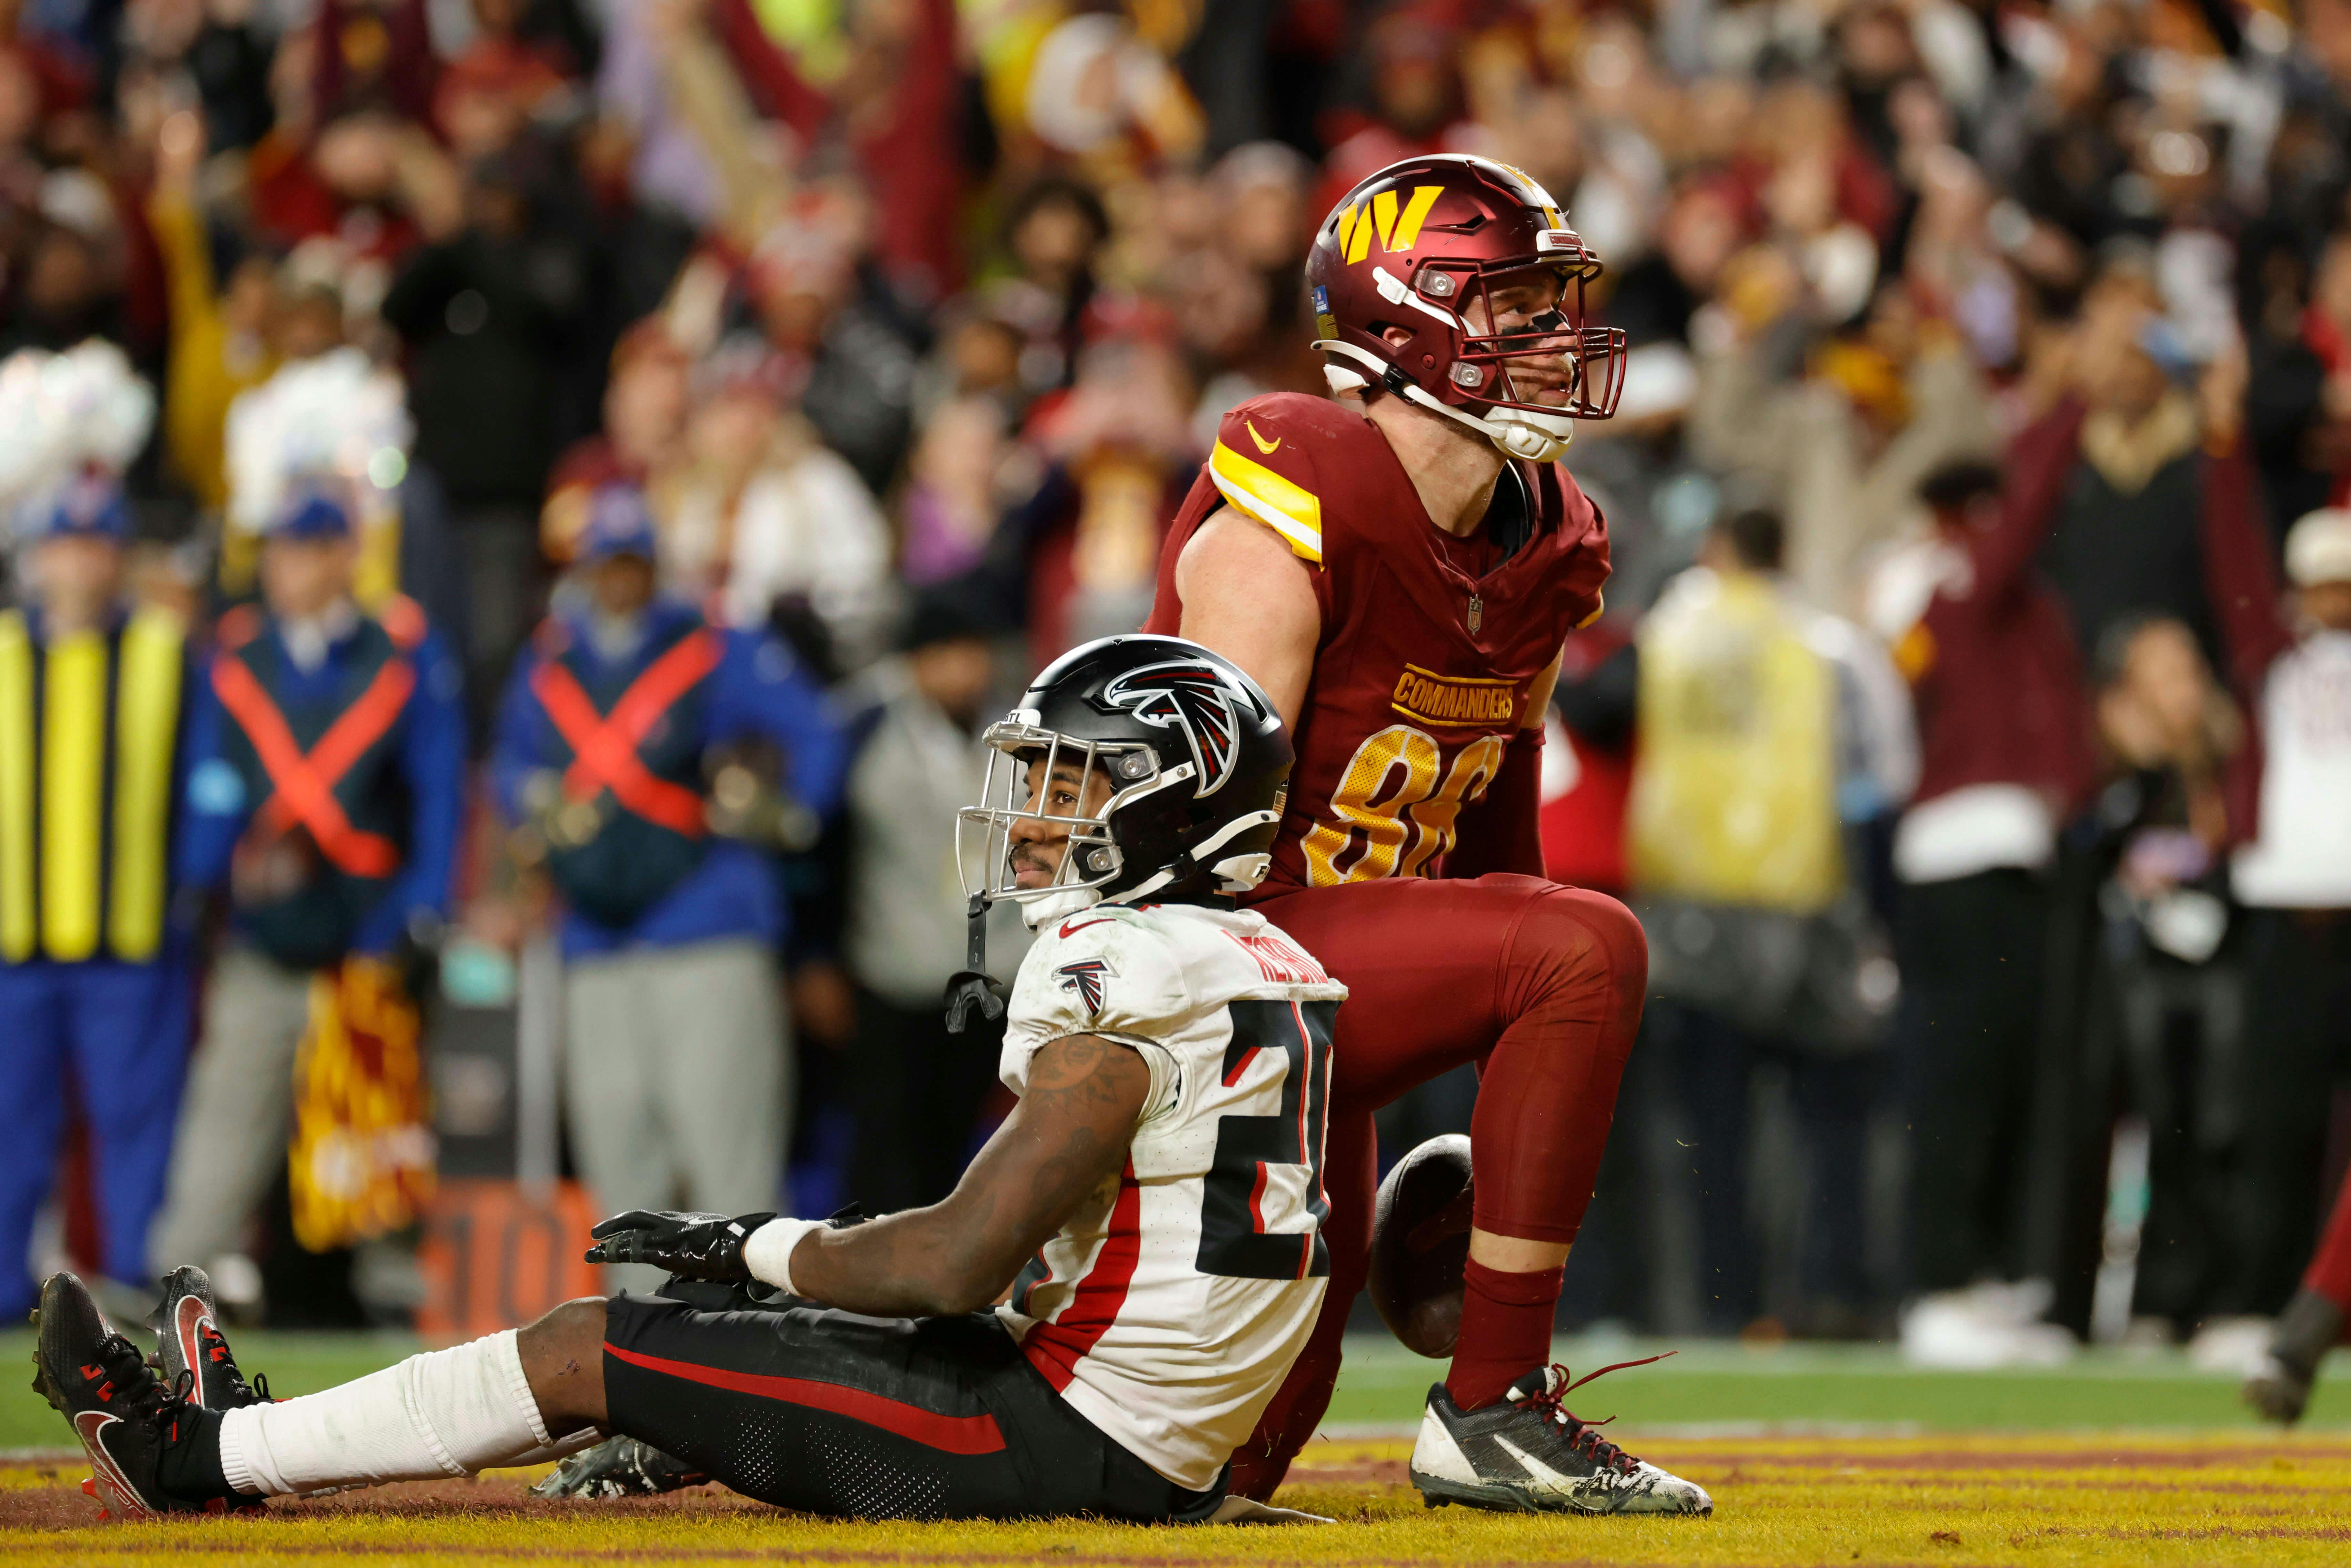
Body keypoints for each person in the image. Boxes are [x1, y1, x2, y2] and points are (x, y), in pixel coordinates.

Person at [38, 635, 1381, 1524]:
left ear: (1168, 798)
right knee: (691, 1357)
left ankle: (193, 1454)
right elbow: (1081, 1261)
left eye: (1070, 781)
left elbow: (956, 1261)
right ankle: (254, 1430)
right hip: (1121, 1419)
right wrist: (743, 1378)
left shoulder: (1119, 965)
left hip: (1064, 1438)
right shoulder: (1263, 958)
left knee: (588, 1338)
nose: (1031, 812)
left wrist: (760, 1246)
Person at [1139, 152, 1712, 1512]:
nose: (1557, 340)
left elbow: (1495, 850)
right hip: (1220, 959)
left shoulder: (1542, 540)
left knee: (1235, 1452)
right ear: (1407, 323)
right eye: (1519, 310)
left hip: (1320, 1002)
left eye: (1555, 306)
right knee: (1585, 947)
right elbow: (1193, 857)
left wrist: (1495, 1086)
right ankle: (1494, 1402)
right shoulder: (1296, 492)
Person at [490, 484, 847, 1258]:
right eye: (605, 564)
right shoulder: (552, 658)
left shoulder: (716, 643)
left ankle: (763, 1351)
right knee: (622, 1171)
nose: (618, 580)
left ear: (655, 566)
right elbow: (509, 762)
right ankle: (641, 1354)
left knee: (731, 1163)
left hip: (706, 921)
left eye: (632, 563)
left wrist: (786, 812)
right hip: (593, 933)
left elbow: (816, 733)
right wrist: (531, 802)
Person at [147, 484, 466, 1296]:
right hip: (265, 928)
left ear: (343, 555)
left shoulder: (400, 654)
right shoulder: (241, 653)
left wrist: (425, 906)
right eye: (280, 549)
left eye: (305, 548)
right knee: (229, 1106)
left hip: (364, 927)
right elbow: (211, 780)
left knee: (377, 1125)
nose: (286, 566)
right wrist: (198, 879)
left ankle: (394, 1295)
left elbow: (438, 792)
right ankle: (175, 1277)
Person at [1866, 457, 2093, 1352]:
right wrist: (2070, 405)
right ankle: (1936, 1285)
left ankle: (1986, 1276)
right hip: (1951, 852)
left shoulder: (2026, 603)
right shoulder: (1923, 579)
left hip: (2017, 852)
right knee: (1955, 1074)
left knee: (2007, 1074)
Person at [0, 477, 194, 1317]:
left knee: (134, 1131)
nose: (79, 564)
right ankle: (5, 1296)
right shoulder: (4, 652)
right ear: (35, 557)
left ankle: (130, 1290)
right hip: (16, 944)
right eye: (64, 544)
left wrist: (193, 883)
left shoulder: (163, 650)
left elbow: (206, 779)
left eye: (96, 545)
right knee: (10, 1127)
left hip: (132, 943)